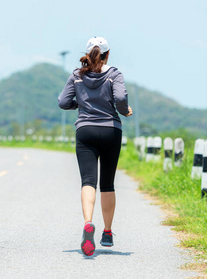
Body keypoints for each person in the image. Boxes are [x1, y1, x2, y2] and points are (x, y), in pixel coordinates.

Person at [58, 36, 133, 256]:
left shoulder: (77, 75)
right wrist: (124, 110)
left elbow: (63, 102)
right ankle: (107, 232)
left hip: (85, 131)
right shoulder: (114, 74)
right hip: (110, 130)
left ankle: (88, 222)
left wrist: (79, 104)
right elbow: (120, 98)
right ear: (107, 54)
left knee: (88, 181)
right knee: (107, 183)